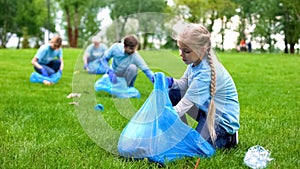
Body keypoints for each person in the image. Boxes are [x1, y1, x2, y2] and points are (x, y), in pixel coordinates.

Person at [168, 23, 240, 149]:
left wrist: (166, 116)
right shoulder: (194, 62)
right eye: (180, 49)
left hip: (220, 122)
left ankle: (230, 138)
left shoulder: (206, 72)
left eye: (186, 51)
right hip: (206, 112)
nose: (181, 54)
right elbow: (183, 84)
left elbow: (186, 103)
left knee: (196, 147)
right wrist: (170, 82)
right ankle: (181, 132)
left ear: (202, 49)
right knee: (173, 92)